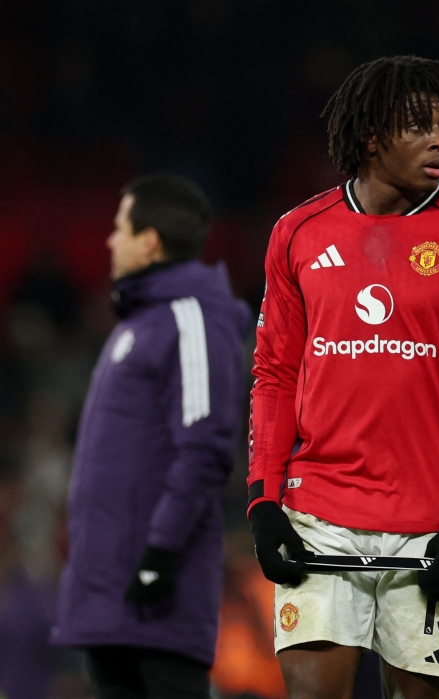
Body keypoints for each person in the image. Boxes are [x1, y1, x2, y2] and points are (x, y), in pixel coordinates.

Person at [246, 56, 439, 699]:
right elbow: (273, 375)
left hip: (432, 523)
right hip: (319, 513)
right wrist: (264, 503)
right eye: (419, 126)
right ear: (371, 135)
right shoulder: (297, 233)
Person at [52, 174, 251, 698]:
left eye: (120, 227)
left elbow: (205, 448)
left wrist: (161, 554)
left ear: (151, 239)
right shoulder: (139, 324)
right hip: (110, 592)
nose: (110, 241)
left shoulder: (192, 320)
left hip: (157, 593)